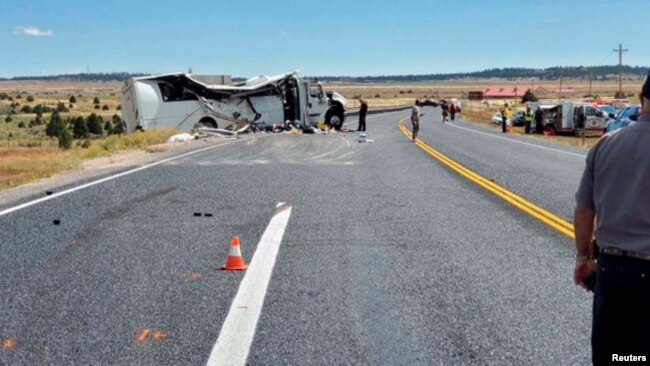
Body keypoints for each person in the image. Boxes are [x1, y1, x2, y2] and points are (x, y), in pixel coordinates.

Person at [574, 70, 650, 364]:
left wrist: (583, 258)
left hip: (614, 272)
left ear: (641, 98)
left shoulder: (606, 144)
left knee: (616, 356)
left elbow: (584, 210)